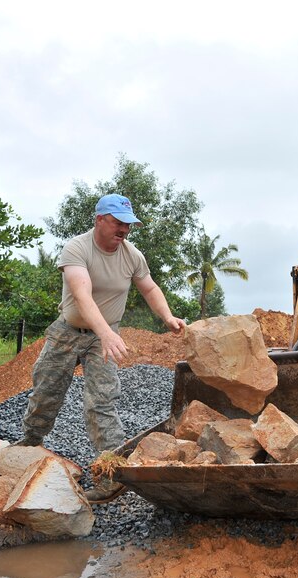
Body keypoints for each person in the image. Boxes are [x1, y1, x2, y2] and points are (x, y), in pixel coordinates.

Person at [16, 193, 187, 504]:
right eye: (118, 223)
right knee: (45, 391)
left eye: (128, 225)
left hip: (104, 337)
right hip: (67, 331)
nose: (123, 230)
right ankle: (29, 444)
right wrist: (105, 332)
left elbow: (149, 286)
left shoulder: (132, 255)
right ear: (99, 220)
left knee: (102, 402)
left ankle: (111, 477)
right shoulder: (77, 248)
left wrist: (167, 316)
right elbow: (81, 293)